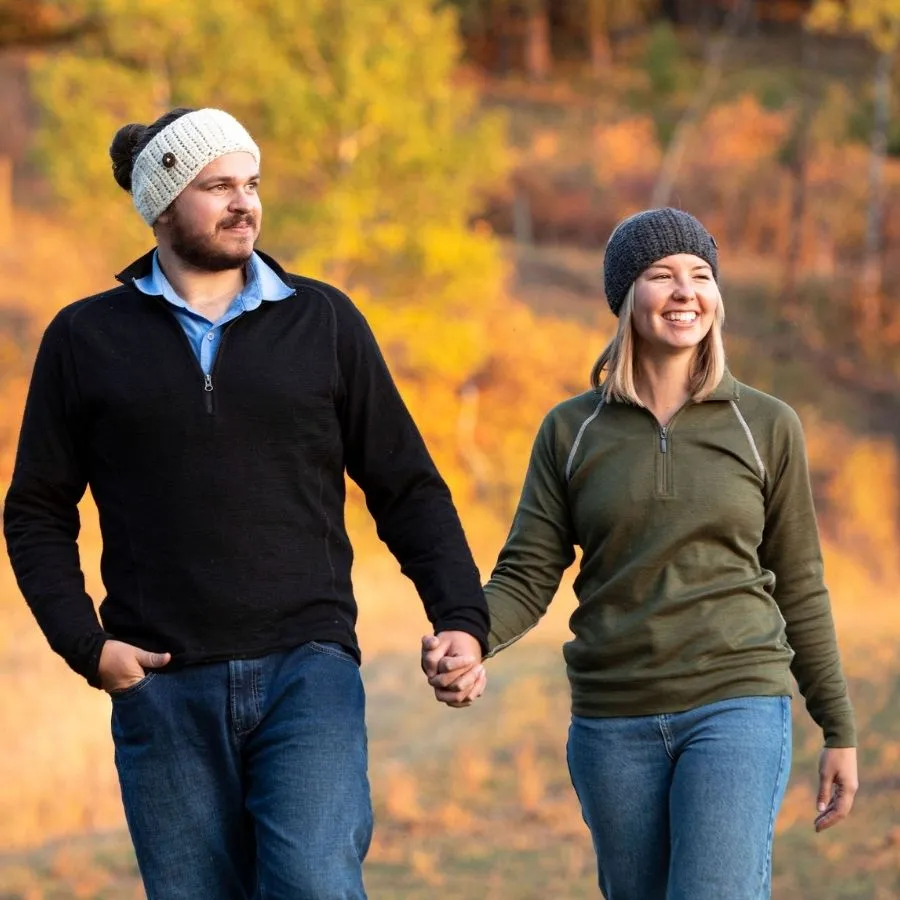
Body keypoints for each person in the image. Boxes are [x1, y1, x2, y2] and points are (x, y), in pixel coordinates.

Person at [4, 106, 488, 900]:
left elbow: (405, 484)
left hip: (310, 666)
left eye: (252, 183)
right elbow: (36, 512)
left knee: (311, 883)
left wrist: (462, 618)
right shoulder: (86, 339)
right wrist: (88, 649)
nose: (245, 203)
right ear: (162, 202)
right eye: (218, 185)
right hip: (161, 683)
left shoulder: (322, 319)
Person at [423, 207, 859, 900]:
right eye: (662, 275)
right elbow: (528, 572)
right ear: (626, 299)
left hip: (735, 703)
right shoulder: (572, 430)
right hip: (611, 720)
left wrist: (837, 727)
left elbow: (801, 583)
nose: (687, 291)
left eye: (701, 275)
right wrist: (470, 636)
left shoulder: (766, 424)